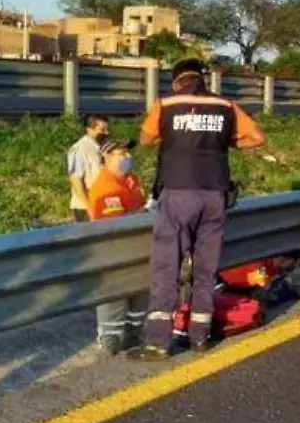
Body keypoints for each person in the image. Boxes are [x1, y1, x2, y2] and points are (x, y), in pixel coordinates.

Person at [130, 57, 266, 361]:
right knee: (206, 269)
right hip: (215, 195)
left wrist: (177, 136)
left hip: (178, 193)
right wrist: (224, 143)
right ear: (202, 79)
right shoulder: (226, 105)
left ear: (177, 80)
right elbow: (258, 138)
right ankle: (200, 337)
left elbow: (146, 139)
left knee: (167, 267)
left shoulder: (166, 104)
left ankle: (157, 343)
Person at [86, 138, 149, 355]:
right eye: (121, 154)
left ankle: (134, 335)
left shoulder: (131, 181)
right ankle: (108, 343)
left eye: (127, 153)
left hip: (137, 252)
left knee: (139, 303)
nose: (127, 157)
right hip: (114, 256)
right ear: (106, 158)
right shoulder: (105, 188)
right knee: (114, 305)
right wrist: (148, 211)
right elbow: (118, 225)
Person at [67, 115, 110, 222]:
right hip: (86, 207)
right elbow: (75, 179)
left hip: (102, 203)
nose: (107, 133)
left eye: (107, 129)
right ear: (89, 129)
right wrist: (88, 206)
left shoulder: (101, 147)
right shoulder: (80, 149)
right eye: (102, 130)